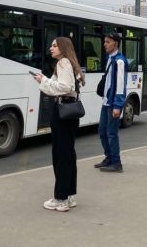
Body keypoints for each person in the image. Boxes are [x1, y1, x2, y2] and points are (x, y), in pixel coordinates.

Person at [32, 37, 84, 212]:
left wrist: (43, 81)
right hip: (70, 113)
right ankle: (69, 196)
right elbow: (70, 86)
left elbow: (64, 87)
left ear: (63, 47)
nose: (51, 48)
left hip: (62, 112)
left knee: (60, 155)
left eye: (54, 45)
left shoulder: (63, 63)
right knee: (68, 155)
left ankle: (60, 198)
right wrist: (45, 80)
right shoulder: (71, 63)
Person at [94, 32, 128, 172]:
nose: (105, 44)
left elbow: (120, 85)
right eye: (105, 41)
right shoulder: (110, 59)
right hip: (106, 101)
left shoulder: (119, 61)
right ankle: (108, 158)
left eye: (107, 42)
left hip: (114, 103)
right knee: (102, 131)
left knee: (112, 133)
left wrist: (118, 106)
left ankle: (116, 163)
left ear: (115, 43)